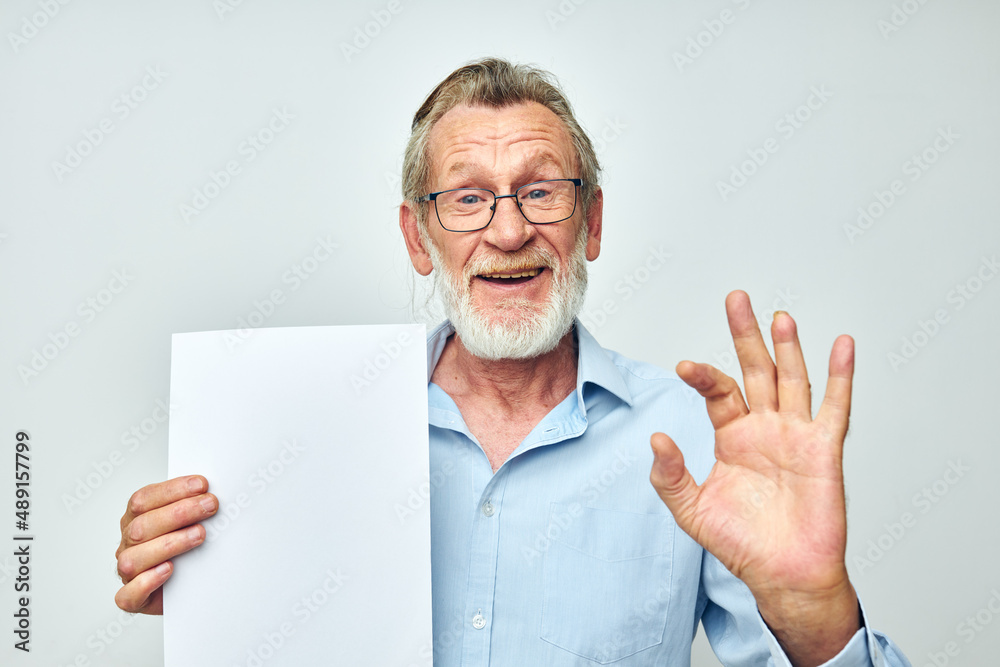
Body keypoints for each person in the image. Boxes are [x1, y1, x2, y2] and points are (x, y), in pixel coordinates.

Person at [115, 58, 911, 666]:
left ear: (591, 221)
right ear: (416, 238)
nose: (506, 233)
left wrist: (817, 610)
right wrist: (212, 598)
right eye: (466, 198)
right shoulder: (306, 428)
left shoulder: (695, 438)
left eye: (541, 192)